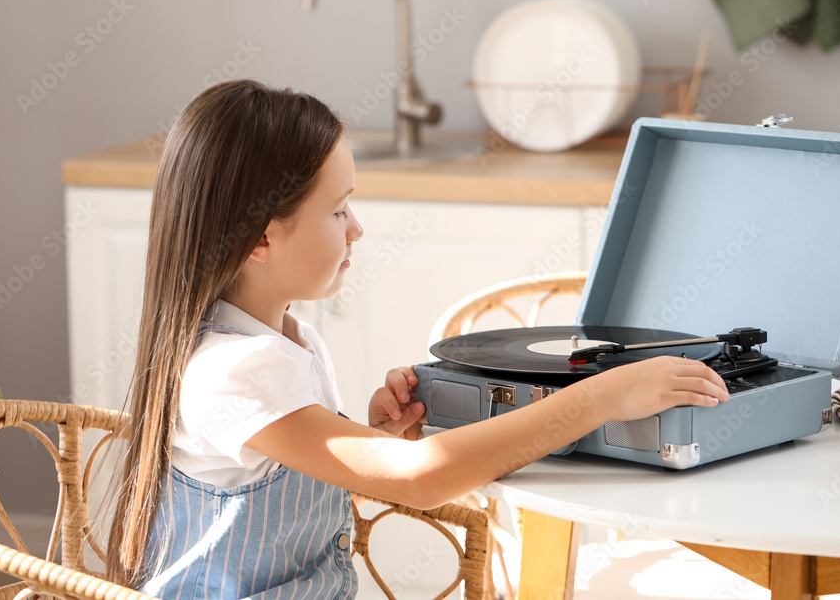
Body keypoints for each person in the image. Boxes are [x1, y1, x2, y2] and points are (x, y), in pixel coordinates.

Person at [105, 79, 730, 599]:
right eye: (338, 209)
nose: (357, 228)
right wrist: (602, 397)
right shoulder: (234, 369)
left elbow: (314, 466)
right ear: (263, 239)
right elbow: (421, 479)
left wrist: (372, 441)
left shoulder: (283, 339)